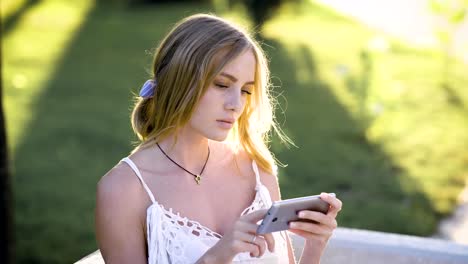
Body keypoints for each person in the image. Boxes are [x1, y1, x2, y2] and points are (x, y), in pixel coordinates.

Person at [95, 13, 342, 264]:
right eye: (222, 85)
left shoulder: (256, 168)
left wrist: (315, 245)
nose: (236, 104)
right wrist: (214, 258)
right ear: (178, 80)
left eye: (246, 90)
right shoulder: (124, 190)